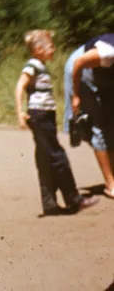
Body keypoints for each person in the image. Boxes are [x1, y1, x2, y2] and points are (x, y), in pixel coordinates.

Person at [15, 29, 97, 215]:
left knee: (45, 158)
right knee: (57, 156)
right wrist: (20, 112)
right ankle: (74, 199)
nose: (54, 49)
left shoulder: (41, 66)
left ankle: (49, 203)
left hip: (45, 116)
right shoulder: (32, 66)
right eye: (50, 46)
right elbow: (20, 86)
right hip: (39, 116)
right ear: (37, 49)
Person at [67, 31, 114, 199]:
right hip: (82, 69)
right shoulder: (109, 52)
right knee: (99, 125)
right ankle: (110, 185)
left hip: (104, 74)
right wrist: (76, 95)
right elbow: (80, 63)